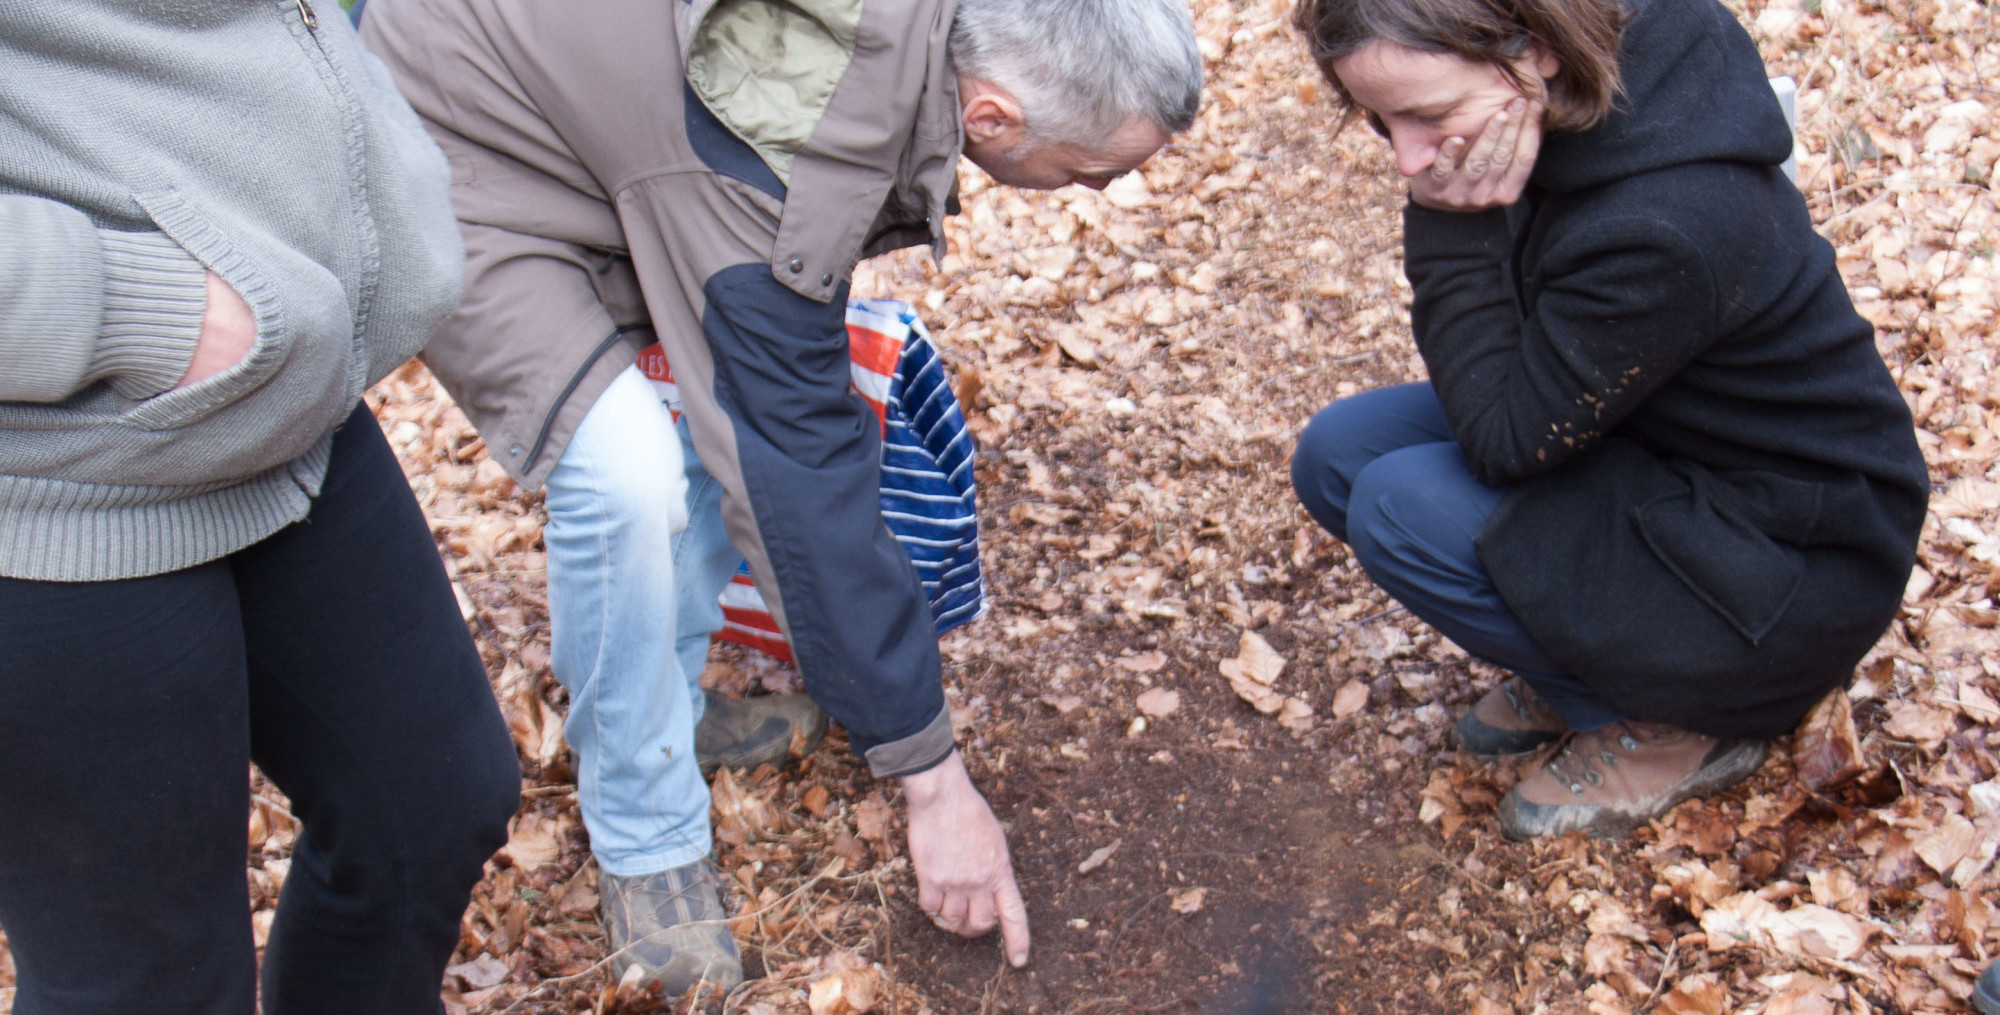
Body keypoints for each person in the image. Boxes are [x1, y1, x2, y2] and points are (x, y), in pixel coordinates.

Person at [358, 0, 1203, 991]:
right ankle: (644, 828)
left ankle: (658, 705)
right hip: (448, 127)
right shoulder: (795, 122)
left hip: (609, 127)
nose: (1098, 191)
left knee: (694, 407)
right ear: (991, 119)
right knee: (626, 463)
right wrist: (932, 781)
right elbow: (789, 462)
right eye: (1094, 170)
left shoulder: (874, 65)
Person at [1288, 0, 1927, 839]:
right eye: (1380, 119)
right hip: (1667, 455)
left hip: (1786, 573)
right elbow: (1519, 386)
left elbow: (1505, 438)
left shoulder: (1665, 224)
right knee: (1338, 454)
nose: (1409, 155)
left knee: (1400, 507)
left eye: (1426, 114)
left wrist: (1453, 223)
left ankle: (1684, 717)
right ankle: (1592, 650)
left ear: (1540, 49)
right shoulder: (1572, 96)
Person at [0, 3, 522, 1013]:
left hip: (285, 396)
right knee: (150, 984)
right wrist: (124, 305)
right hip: (65, 474)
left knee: (430, 806)